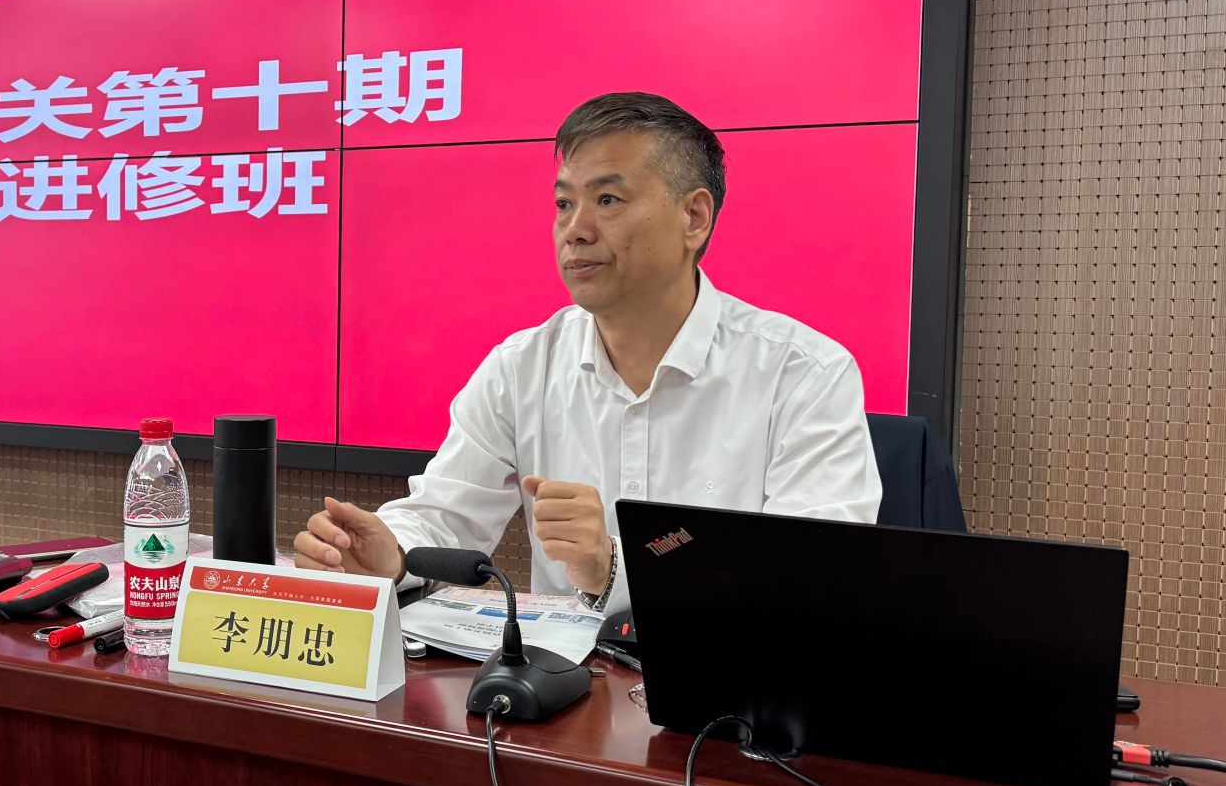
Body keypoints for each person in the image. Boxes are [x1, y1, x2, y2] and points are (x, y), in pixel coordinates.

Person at [293, 92, 882, 614]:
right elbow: (445, 514)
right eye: (563, 204)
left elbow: (815, 579)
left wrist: (613, 566)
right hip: (569, 690)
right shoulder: (522, 367)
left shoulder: (804, 374)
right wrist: (391, 554)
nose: (574, 230)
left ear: (694, 217)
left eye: (607, 199)